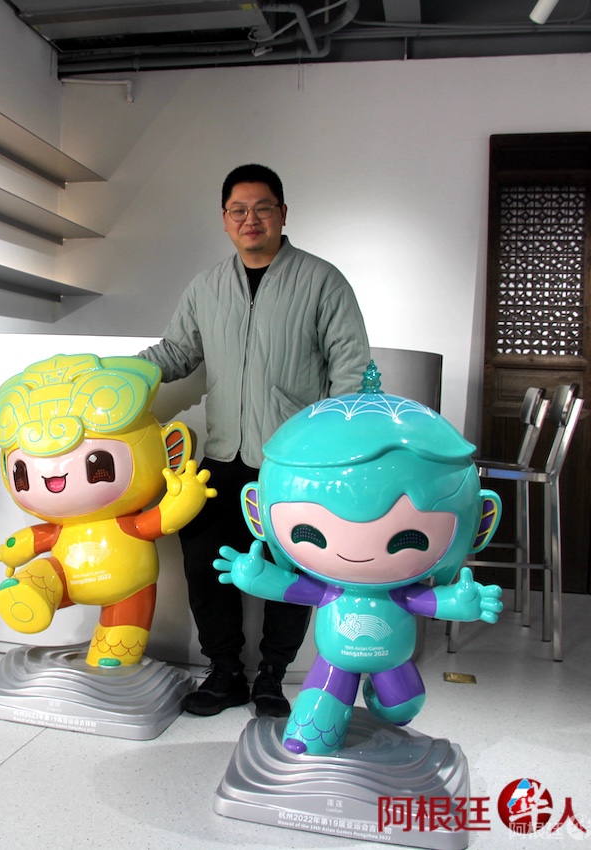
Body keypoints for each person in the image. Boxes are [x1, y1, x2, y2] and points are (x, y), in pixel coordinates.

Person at [139, 164, 369, 717]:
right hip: (222, 455)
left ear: (282, 214)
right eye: (238, 210)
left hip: (291, 462)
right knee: (204, 561)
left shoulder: (322, 281)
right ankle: (224, 672)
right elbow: (177, 353)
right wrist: (117, 375)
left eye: (263, 208)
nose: (251, 219)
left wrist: (331, 447)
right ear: (224, 220)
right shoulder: (207, 286)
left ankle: (271, 676)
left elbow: (351, 368)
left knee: (290, 567)